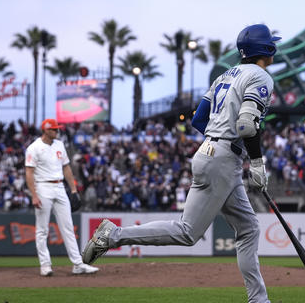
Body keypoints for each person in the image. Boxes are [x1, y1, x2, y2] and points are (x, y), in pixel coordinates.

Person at [83, 24, 279, 302]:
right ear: (266, 48)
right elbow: (247, 125)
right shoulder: (261, 76)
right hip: (223, 159)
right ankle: (112, 235)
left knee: (249, 229)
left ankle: (259, 300)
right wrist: (257, 162)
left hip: (212, 152)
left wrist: (217, 140)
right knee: (188, 232)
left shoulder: (226, 74)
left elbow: (199, 119)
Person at [25, 118, 99, 276]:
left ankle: (78, 264)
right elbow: (29, 173)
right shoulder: (34, 148)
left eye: (57, 129)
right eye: (54, 129)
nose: (57, 131)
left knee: (68, 228)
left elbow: (66, 168)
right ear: (45, 130)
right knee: (42, 230)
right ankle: (45, 265)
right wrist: (34, 195)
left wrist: (73, 190)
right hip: (43, 186)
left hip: (59, 187)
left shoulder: (59, 145)